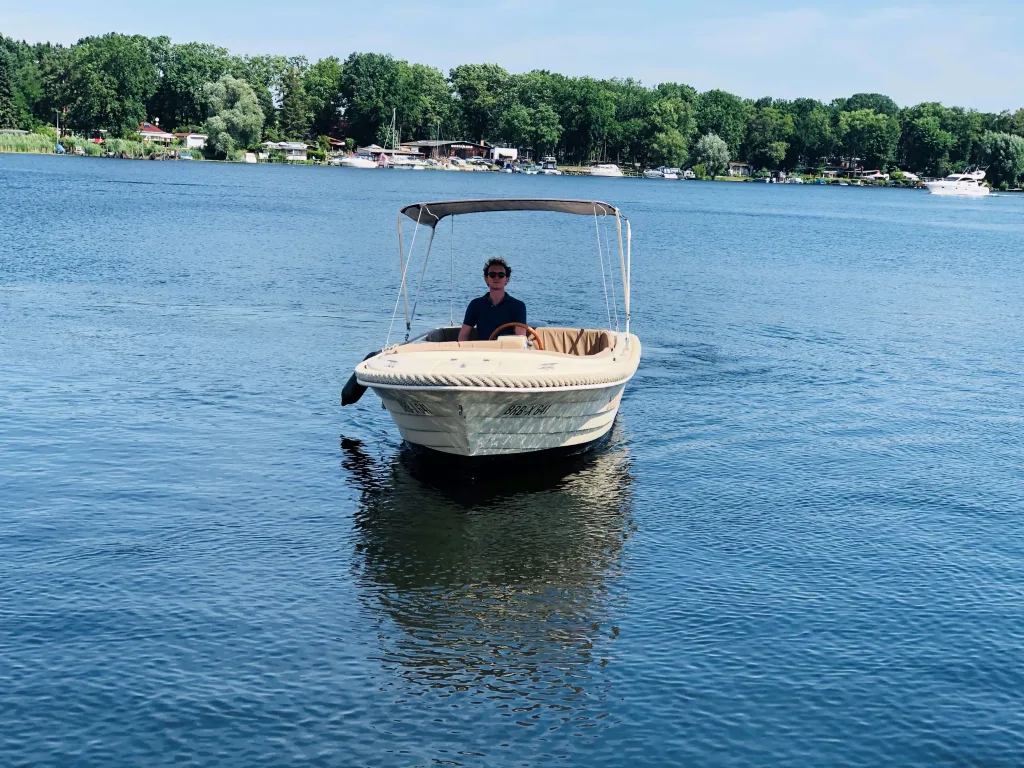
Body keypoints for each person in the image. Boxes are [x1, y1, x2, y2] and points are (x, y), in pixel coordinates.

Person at [458, 258, 527, 342]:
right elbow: (463, 335)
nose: (497, 278)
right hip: (483, 353)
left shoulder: (518, 306)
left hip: (508, 353)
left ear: (507, 279)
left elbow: (520, 338)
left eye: (501, 275)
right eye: (492, 274)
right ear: (486, 279)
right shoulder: (475, 305)